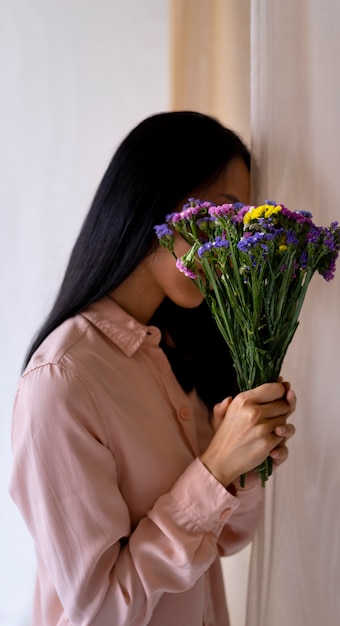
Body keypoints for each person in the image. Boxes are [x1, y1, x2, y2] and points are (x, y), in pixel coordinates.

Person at [9, 111, 296, 626]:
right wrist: (212, 472)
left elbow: (228, 539)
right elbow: (97, 611)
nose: (229, 246)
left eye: (240, 224)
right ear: (153, 196)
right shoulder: (64, 381)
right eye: (222, 214)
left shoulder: (173, 353)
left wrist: (246, 461)